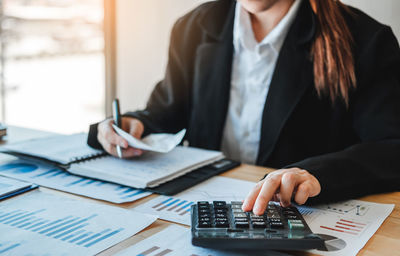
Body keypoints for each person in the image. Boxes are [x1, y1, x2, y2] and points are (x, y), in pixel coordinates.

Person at [88, 0, 400, 215]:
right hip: (203, 211)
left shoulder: (367, 41)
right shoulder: (193, 27)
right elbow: (168, 110)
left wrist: (316, 175)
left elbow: (391, 147)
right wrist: (134, 125)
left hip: (295, 218)